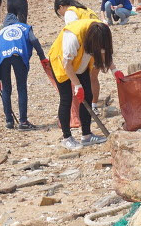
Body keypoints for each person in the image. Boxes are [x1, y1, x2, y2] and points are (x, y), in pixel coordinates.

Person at [47, 19, 114, 149]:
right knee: (67, 99)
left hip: (81, 64)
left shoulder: (100, 30)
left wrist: (114, 70)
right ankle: (67, 138)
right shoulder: (72, 38)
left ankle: (86, 135)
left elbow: (105, 51)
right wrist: (77, 86)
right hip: (61, 63)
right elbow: (67, 66)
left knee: (88, 96)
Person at [0, 5, 47, 130]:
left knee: (6, 88)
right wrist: (42, 57)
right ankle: (23, 122)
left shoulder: (0, 33)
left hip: (2, 59)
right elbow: (34, 40)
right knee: (21, 87)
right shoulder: (24, 27)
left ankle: (9, 121)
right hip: (18, 56)